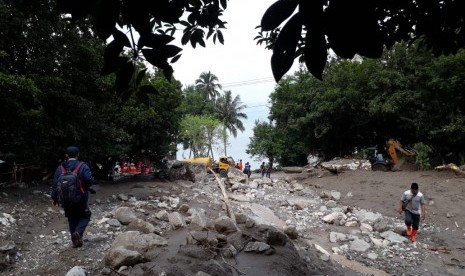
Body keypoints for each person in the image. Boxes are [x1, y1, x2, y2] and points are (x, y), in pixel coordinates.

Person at [51, 146, 95, 248]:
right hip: (80, 197)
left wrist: (54, 198)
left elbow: (54, 184)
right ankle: (78, 233)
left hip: (65, 199)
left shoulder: (60, 168)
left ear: (66, 155)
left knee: (71, 217)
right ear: (78, 154)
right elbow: (89, 180)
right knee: (85, 215)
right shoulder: (82, 165)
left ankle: (75, 241)